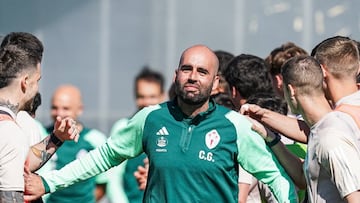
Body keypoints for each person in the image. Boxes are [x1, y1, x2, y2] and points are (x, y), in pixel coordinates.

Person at [24, 44, 298, 203]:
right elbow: (103, 157)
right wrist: (49, 183)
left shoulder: (234, 126)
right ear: (176, 75)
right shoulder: (151, 118)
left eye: (202, 71)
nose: (193, 76)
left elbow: (275, 177)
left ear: (215, 83)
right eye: (187, 69)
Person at [249, 55, 360, 202]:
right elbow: (303, 179)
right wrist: (269, 137)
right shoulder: (319, 129)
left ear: (291, 90)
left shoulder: (330, 137)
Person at [0, 32, 78, 202]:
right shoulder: (9, 131)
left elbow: (19, 159)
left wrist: (57, 137)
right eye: (37, 81)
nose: (37, 89)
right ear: (25, 81)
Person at [242, 36, 360, 144]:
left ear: (322, 71)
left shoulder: (343, 117)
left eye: (313, 69)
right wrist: (263, 115)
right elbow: (312, 130)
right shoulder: (341, 114)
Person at [39, 84, 108, 203]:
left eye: (66, 108)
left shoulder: (95, 139)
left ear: (80, 109)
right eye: (54, 108)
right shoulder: (41, 135)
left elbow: (102, 183)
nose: (59, 114)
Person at [107, 67, 165, 203]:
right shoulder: (123, 127)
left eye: (152, 97)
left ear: (163, 96)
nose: (146, 102)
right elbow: (113, 178)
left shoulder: (171, 129)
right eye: (141, 96)